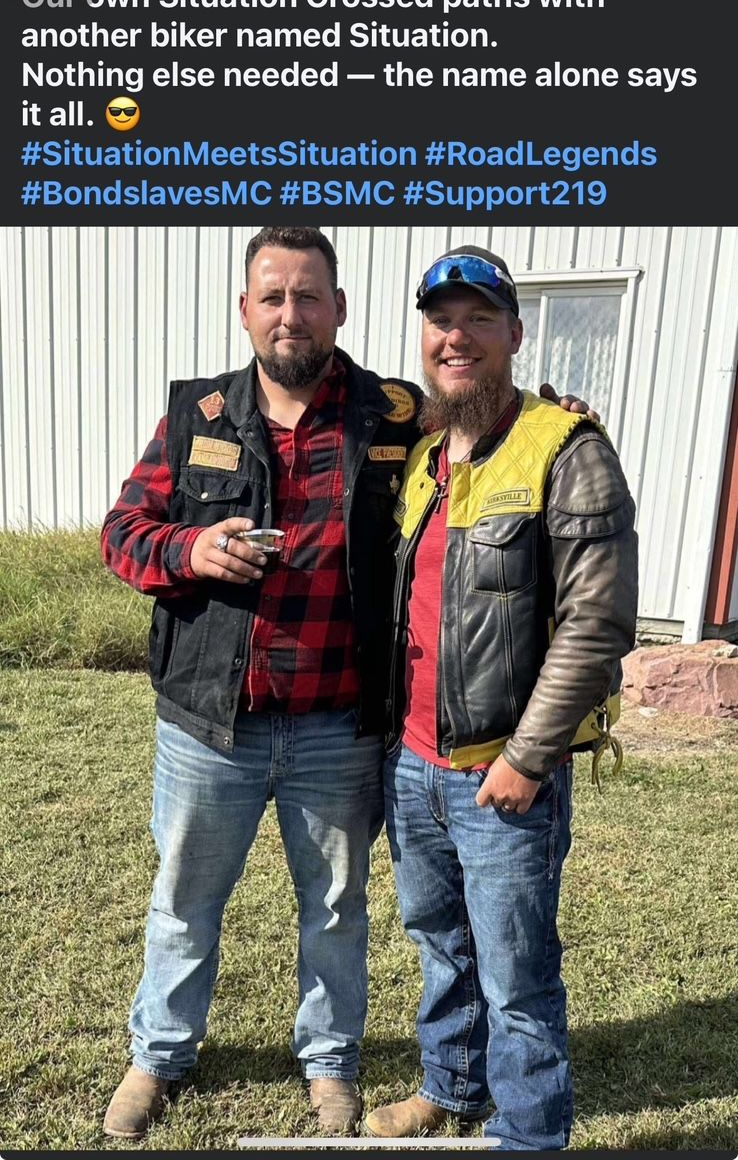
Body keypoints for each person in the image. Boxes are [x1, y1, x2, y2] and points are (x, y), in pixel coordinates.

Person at [100, 226, 424, 1138]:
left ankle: (330, 1063)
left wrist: (552, 415)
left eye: (308, 295)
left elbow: (485, 440)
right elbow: (122, 531)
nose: (291, 313)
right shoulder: (197, 415)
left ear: (339, 308)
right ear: (245, 310)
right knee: (184, 902)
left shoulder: (394, 416)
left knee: (336, 909)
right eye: (273, 296)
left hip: (339, 724)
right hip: (211, 725)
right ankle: (159, 1055)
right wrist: (189, 549)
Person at [365, 246, 638, 1149]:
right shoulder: (422, 455)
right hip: (413, 765)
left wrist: (527, 757)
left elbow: (597, 624)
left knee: (517, 976)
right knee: (440, 945)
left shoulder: (569, 448)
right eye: (443, 320)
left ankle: (528, 1135)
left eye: (480, 319)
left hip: (502, 777)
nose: (458, 337)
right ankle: (451, 1087)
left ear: (515, 334)